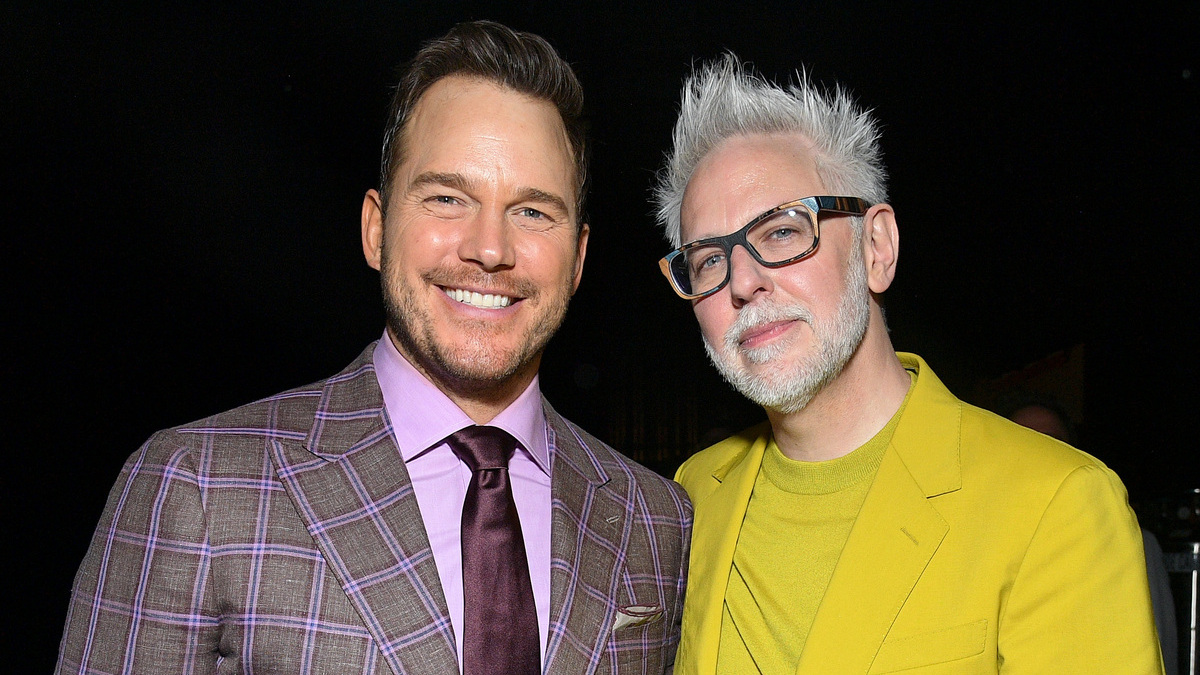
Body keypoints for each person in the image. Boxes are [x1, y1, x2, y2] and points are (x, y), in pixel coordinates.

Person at [56, 21, 690, 675]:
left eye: (532, 211)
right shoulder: (198, 486)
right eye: (447, 197)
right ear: (376, 228)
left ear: (578, 257)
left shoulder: (655, 519)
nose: (490, 249)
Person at [653, 53, 1161, 673]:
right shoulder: (690, 496)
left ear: (877, 247)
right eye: (708, 259)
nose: (743, 281)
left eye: (784, 231)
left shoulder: (1057, 505)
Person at [1000, 394, 1178, 674]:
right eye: (1023, 441)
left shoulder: (1129, 538)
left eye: (1052, 443)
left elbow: (1159, 642)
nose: (1038, 454)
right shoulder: (975, 543)